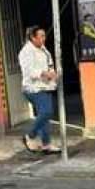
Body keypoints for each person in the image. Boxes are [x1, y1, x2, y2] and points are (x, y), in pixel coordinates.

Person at [18, 26, 60, 154]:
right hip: (32, 88)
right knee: (47, 112)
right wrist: (44, 73)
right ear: (33, 37)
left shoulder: (44, 50)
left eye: (44, 35)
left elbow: (50, 64)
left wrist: (52, 73)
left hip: (46, 86)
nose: (44, 38)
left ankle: (46, 145)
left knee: (44, 115)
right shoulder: (26, 52)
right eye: (41, 36)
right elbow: (29, 71)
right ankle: (29, 136)